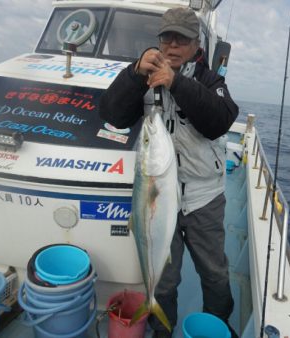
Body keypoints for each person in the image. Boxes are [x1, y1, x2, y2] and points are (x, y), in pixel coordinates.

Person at [98, 7, 239, 338]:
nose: (172, 46)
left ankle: (217, 325)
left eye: (182, 39)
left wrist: (176, 83)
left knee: (215, 273)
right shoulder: (142, 75)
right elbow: (113, 115)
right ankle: (162, 328)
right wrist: (134, 74)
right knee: (164, 276)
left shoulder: (210, 80)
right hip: (158, 200)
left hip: (203, 196)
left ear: (196, 45)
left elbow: (219, 120)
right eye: (167, 38)